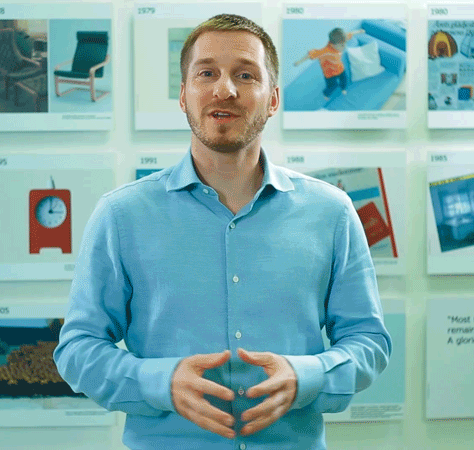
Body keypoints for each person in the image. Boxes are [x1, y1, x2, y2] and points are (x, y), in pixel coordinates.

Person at [54, 14, 390, 450]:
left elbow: (368, 342)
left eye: (245, 75)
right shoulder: (121, 214)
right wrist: (159, 381)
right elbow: (77, 349)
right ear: (183, 95)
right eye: (207, 73)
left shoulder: (332, 212)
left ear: (273, 98)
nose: (225, 90)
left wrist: (307, 376)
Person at [294, 27, 365, 99]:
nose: (344, 47)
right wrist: (299, 62)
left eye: (345, 43)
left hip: (339, 68)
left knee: (344, 79)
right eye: (342, 45)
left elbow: (351, 33)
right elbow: (310, 55)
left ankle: (343, 88)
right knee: (333, 86)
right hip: (329, 73)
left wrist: (359, 31)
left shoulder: (341, 39)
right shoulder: (325, 51)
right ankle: (326, 94)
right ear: (333, 45)